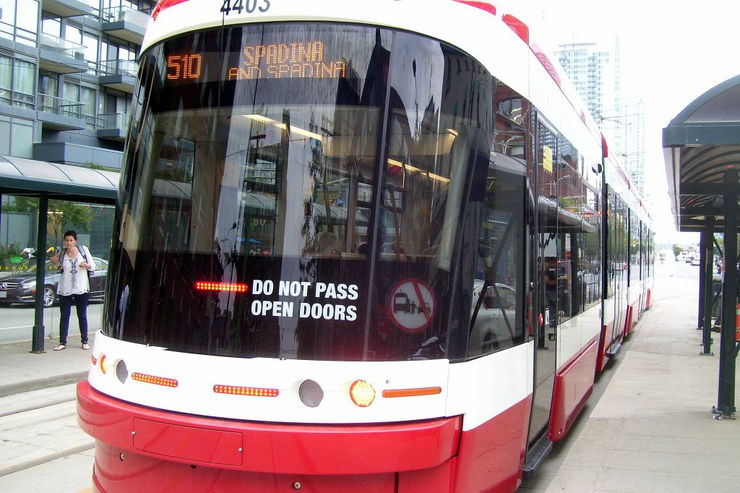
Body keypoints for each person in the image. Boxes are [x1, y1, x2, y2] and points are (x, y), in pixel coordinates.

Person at [50, 231, 96, 350]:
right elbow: (57, 267)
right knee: (64, 315)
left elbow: (93, 265)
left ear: (75, 241)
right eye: (66, 240)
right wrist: (54, 261)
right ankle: (62, 342)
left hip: (81, 287)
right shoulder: (62, 253)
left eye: (71, 240)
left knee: (82, 315)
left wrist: (86, 265)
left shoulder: (83, 250)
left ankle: (85, 341)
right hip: (66, 287)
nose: (69, 243)